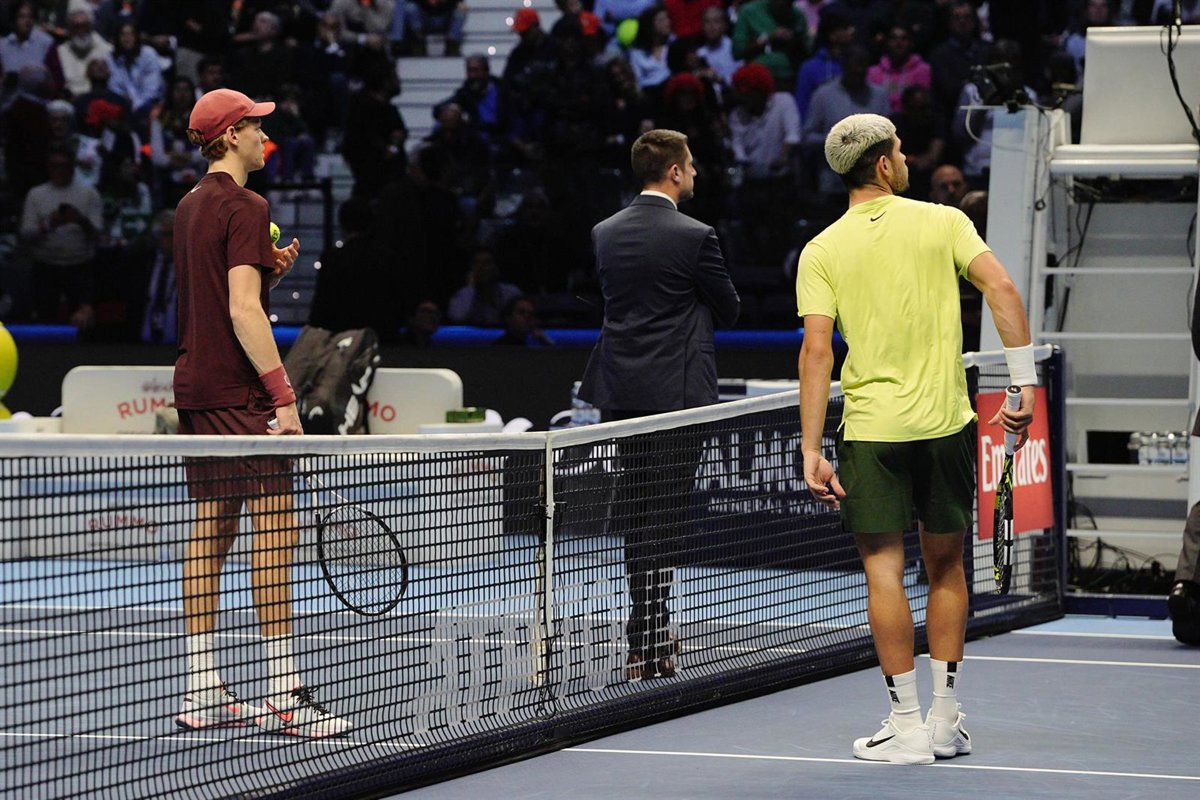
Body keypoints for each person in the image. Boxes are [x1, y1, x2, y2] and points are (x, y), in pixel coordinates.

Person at [796, 113, 1036, 764]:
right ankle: (945, 720)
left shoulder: (821, 250)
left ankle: (905, 727)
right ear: (883, 165)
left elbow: (817, 351)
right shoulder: (945, 222)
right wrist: (1022, 385)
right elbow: (1001, 288)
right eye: (900, 150)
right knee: (947, 567)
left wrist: (811, 447)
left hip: (872, 432)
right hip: (945, 425)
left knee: (883, 570)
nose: (907, 158)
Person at [172, 87, 351, 738]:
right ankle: (285, 693)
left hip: (195, 385)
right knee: (277, 528)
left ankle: (201, 688)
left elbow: (221, 295)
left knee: (213, 529)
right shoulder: (246, 205)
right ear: (229, 136)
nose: (263, 137)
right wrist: (284, 396)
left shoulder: (189, 206)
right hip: (237, 391)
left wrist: (264, 274)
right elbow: (242, 311)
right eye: (253, 126)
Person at [578, 129, 740, 681]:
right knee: (664, 517)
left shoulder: (604, 232)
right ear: (673, 171)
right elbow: (729, 307)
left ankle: (642, 635)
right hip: (677, 396)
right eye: (690, 165)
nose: (694, 172)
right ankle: (651, 634)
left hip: (623, 392)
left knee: (637, 512)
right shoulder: (696, 235)